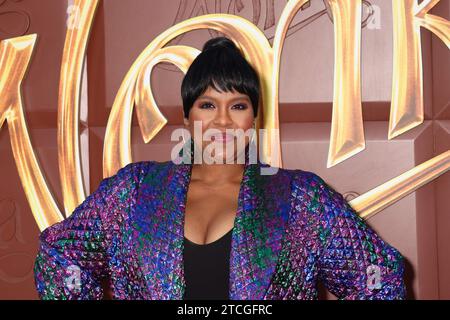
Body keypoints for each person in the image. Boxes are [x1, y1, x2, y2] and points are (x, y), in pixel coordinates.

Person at [33, 36, 406, 300]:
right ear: (187, 115)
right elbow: (61, 259)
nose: (223, 121)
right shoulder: (135, 190)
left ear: (255, 117)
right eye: (208, 105)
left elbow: (377, 279)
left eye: (238, 105)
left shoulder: (299, 198)